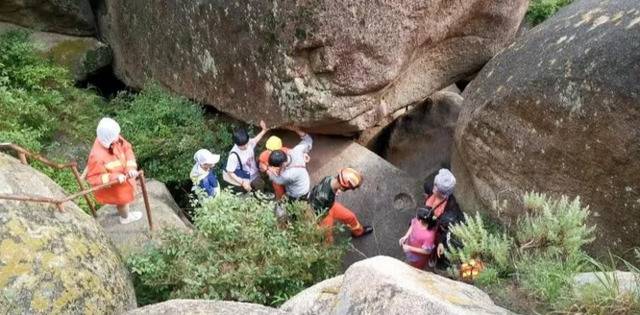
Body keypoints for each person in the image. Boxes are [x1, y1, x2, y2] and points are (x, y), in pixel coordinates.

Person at [86, 117, 142, 224]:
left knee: (124, 200)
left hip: (123, 180)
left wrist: (131, 168)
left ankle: (123, 212)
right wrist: (114, 177)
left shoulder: (112, 138)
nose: (119, 137)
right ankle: (125, 218)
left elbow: (127, 149)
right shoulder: (97, 156)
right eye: (116, 136)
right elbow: (94, 178)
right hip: (115, 187)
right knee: (123, 202)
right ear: (108, 139)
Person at [308, 167, 374, 243]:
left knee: (350, 217)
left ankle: (358, 232)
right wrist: (317, 228)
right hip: (323, 215)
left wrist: (335, 190)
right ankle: (326, 250)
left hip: (329, 205)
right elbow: (311, 211)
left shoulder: (330, 179)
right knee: (328, 238)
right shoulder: (322, 197)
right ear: (343, 187)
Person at [423, 168, 465, 268]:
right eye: (435, 185)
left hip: (442, 228)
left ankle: (438, 260)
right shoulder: (430, 187)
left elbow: (449, 228)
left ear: (444, 193)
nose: (434, 189)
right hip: (434, 221)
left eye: (437, 189)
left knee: (440, 249)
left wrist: (442, 243)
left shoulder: (450, 209)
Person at [265, 128, 312, 201]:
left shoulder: (287, 175)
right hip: (303, 183)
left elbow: (277, 180)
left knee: (292, 202)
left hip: (297, 193)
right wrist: (295, 128)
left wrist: (268, 171)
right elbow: (308, 140)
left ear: (282, 164)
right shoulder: (296, 151)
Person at [222, 120, 268, 193]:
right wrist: (242, 182)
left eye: (246, 144)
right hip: (245, 178)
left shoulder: (247, 142)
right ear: (237, 144)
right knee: (254, 190)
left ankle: (258, 194)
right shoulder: (234, 155)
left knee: (260, 185)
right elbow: (230, 172)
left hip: (254, 173)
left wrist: (264, 130)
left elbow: (255, 141)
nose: (246, 146)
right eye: (242, 146)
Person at [258, 136, 289, 200]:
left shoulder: (287, 152)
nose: (269, 152)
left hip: (286, 175)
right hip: (275, 178)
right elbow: (261, 166)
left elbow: (294, 154)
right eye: (268, 149)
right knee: (278, 190)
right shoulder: (264, 155)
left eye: (271, 150)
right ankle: (280, 200)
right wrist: (268, 168)